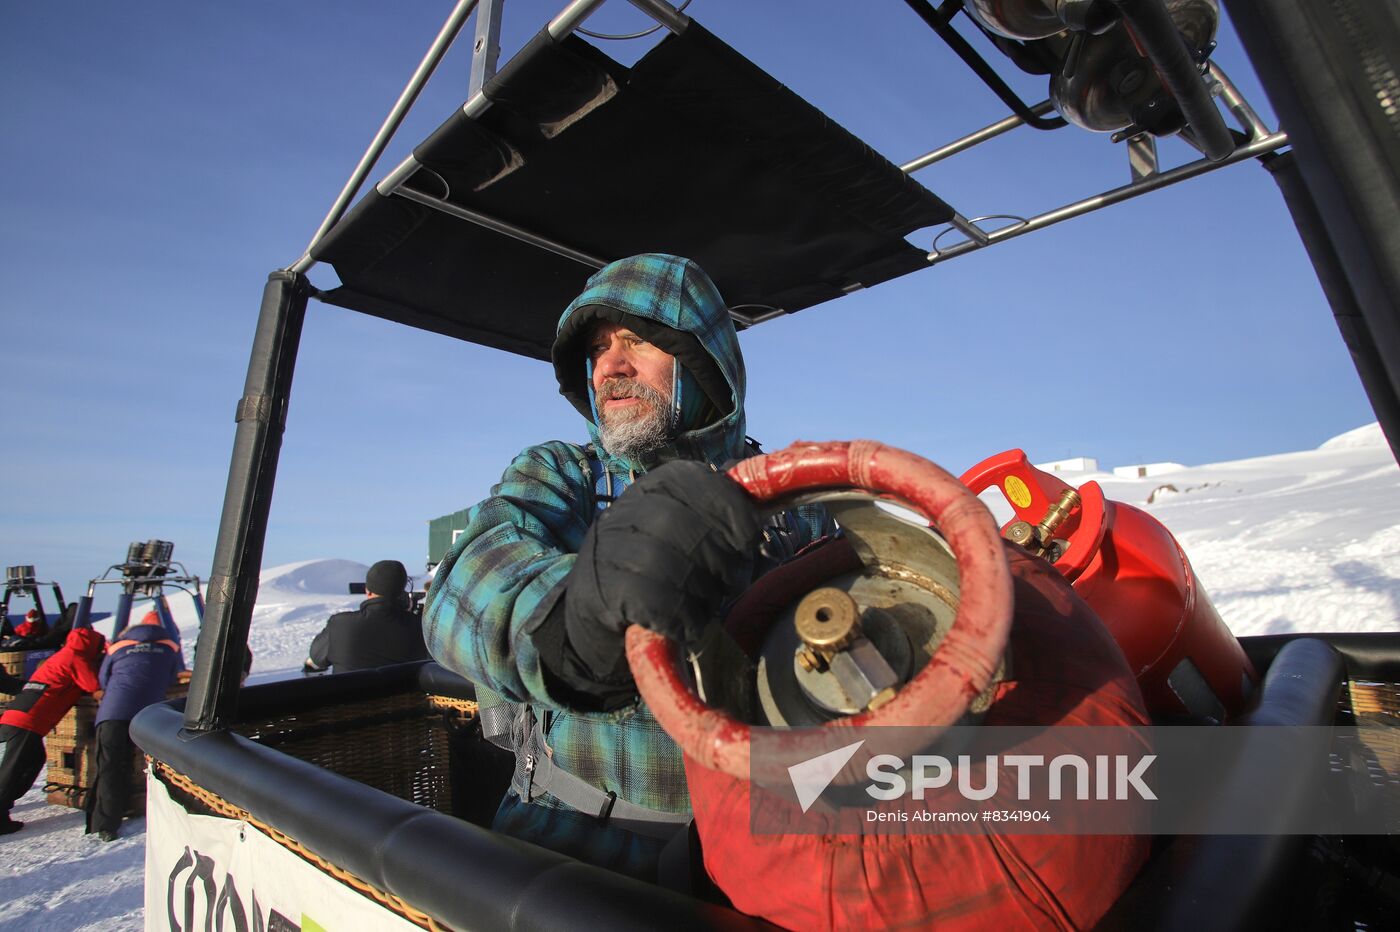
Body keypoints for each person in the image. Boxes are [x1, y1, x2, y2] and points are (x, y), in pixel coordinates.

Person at [423, 253, 830, 880]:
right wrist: (578, 618)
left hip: (765, 859)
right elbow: (460, 591)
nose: (609, 365)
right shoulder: (566, 475)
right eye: (597, 350)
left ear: (700, 361)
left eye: (636, 341)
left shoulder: (793, 507)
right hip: (575, 847)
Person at [0, 625, 106, 834]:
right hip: (29, 720)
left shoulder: (59, 656)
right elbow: (95, 689)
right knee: (13, 771)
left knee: (33, 760)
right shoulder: (77, 658)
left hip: (19, 714)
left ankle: (5, 804)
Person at [86, 612, 181, 841]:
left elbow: (104, 680)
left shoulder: (118, 646)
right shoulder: (169, 648)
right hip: (148, 715)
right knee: (147, 763)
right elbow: (173, 677)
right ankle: (150, 808)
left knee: (108, 765)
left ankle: (104, 824)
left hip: (113, 712)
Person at [302, 560, 429, 674]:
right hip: (404, 699)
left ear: (367, 591)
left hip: (350, 698)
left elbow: (316, 659)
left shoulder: (340, 625)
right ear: (402, 592)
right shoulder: (421, 627)